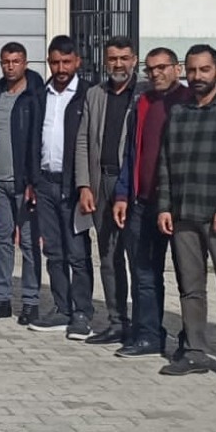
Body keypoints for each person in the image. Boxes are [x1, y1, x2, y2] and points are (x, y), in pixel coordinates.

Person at [155, 45, 216, 383]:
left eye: (204, 70)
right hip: (183, 213)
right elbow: (165, 163)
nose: (198, 76)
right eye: (192, 70)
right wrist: (164, 206)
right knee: (190, 288)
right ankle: (195, 351)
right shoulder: (179, 112)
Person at [111, 47, 191, 360]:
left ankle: (191, 340)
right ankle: (148, 335)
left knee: (187, 277)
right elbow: (131, 153)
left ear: (177, 69)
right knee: (144, 273)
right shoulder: (142, 102)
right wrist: (122, 194)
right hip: (142, 203)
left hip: (180, 207)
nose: (156, 74)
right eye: (151, 69)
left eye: (162, 67)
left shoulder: (189, 101)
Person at [72, 37, 139, 344]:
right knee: (109, 257)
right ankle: (116, 321)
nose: (118, 64)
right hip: (102, 183)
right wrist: (84, 185)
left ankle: (143, 324)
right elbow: (83, 140)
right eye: (112, 59)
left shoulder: (143, 95)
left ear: (134, 60)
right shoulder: (96, 94)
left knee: (137, 259)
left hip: (134, 187)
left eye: (124, 58)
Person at [27, 36, 93, 337]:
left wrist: (85, 185)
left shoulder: (88, 95)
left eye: (66, 62)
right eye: (55, 62)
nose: (61, 68)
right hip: (45, 183)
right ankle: (62, 308)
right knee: (53, 251)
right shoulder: (41, 95)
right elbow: (33, 140)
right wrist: (33, 180)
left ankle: (82, 312)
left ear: (77, 61)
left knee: (77, 252)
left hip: (74, 186)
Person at [0, 41, 42, 322]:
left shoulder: (34, 95)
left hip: (24, 183)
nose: (10, 66)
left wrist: (33, 180)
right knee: (3, 240)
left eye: (16, 61)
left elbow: (37, 141)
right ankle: (2, 298)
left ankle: (30, 301)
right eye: (6, 61)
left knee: (28, 243)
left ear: (25, 63)